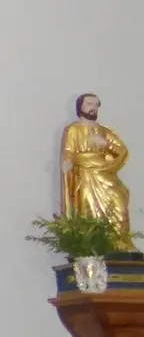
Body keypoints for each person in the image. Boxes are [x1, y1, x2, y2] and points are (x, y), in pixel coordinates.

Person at [62, 92, 135, 251]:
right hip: (86, 175)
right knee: (91, 209)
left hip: (105, 173)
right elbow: (69, 152)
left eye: (96, 105)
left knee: (119, 202)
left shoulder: (104, 131)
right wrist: (67, 165)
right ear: (80, 106)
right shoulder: (73, 129)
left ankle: (121, 243)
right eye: (89, 104)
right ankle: (96, 244)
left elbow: (122, 151)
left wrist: (105, 144)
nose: (93, 108)